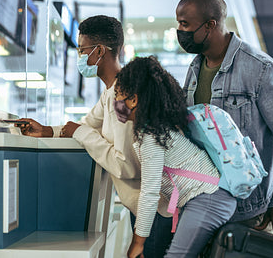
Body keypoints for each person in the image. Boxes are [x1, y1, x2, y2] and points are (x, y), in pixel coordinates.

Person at [18, 15, 173, 257]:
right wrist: (48, 131)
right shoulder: (110, 92)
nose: (80, 57)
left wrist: (81, 132)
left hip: (155, 215)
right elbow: (86, 125)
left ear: (99, 51)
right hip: (146, 211)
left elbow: (127, 166)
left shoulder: (124, 97)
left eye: (82, 50)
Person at [176, 0, 273, 243]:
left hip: (245, 210)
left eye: (185, 24)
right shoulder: (195, 69)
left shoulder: (259, 68)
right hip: (200, 200)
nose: (180, 31)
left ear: (210, 25)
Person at [115, 56, 236, 258]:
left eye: (118, 95)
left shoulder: (151, 137)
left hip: (209, 199)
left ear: (134, 99)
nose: (116, 102)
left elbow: (150, 193)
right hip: (207, 197)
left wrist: (137, 242)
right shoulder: (159, 128)